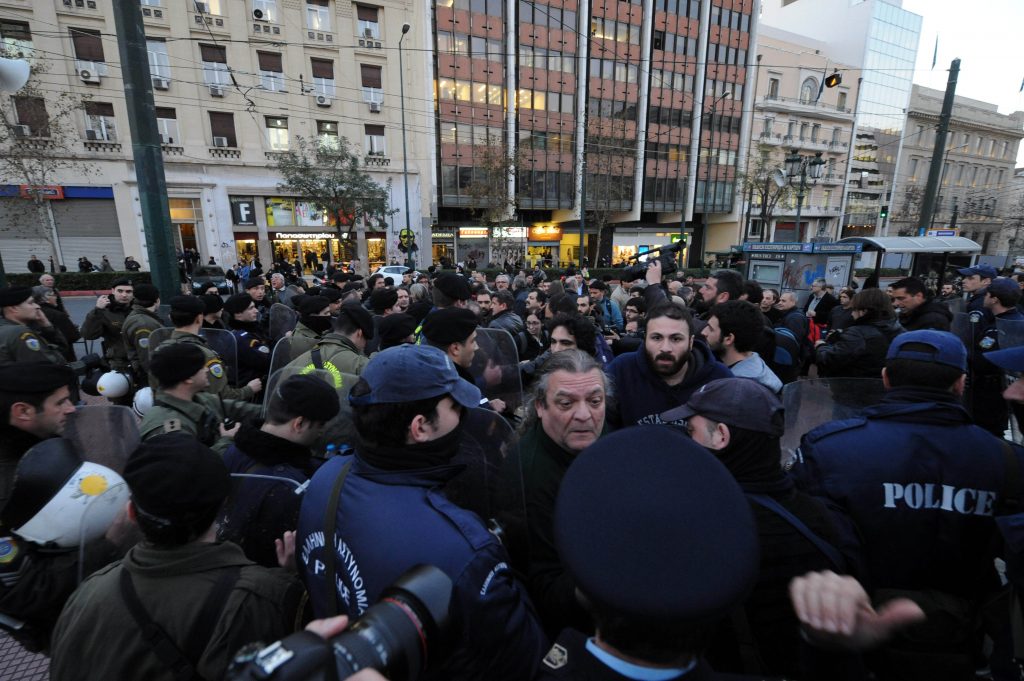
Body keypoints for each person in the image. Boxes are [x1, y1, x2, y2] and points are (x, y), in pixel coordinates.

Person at [296, 345, 546, 681]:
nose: (463, 415)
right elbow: (525, 659)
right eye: (454, 407)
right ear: (420, 427)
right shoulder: (464, 550)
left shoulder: (325, 478)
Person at [792, 330, 1024, 680]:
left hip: (856, 628)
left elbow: (809, 538)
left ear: (886, 378)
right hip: (964, 633)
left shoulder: (827, 448)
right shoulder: (1007, 459)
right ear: (960, 384)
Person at [49, 432, 304, 681]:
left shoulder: (87, 593)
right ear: (222, 505)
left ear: (132, 513)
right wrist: (291, 576)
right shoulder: (259, 598)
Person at [667, 379, 854, 677]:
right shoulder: (822, 515)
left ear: (721, 436)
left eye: (692, 432)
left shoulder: (701, 527)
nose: (688, 442)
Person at [520, 350, 608, 637]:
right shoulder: (529, 479)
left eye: (595, 401)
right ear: (540, 406)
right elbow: (543, 585)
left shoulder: (604, 439)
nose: (584, 415)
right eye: (566, 403)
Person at [219, 375, 340, 568]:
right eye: (320, 425)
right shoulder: (291, 489)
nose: (322, 432)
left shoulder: (232, 452)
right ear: (299, 424)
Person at [609, 302, 731, 425]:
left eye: (676, 339)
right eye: (656, 338)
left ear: (690, 342)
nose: (665, 348)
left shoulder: (719, 378)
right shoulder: (622, 370)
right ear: (645, 339)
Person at [140, 343, 261, 452]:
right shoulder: (168, 429)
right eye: (201, 367)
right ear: (188, 379)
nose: (207, 370)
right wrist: (227, 440)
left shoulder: (199, 398)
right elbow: (192, 466)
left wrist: (269, 413)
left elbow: (235, 408)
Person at [153, 296, 261, 401]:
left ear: (170, 318)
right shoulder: (204, 355)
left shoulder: (159, 351)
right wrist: (249, 390)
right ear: (199, 318)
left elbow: (156, 390)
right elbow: (222, 397)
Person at [969, 277, 1024, 436]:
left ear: (995, 299)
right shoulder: (1015, 320)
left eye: (987, 294)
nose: (984, 297)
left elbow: (983, 361)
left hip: (991, 393)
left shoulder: (1000, 328)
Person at [814, 288, 903, 379]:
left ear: (864, 311)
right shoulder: (899, 330)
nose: (852, 314)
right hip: (883, 383)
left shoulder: (857, 334)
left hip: (851, 383)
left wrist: (821, 346)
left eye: (854, 309)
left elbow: (829, 360)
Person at [702, 300, 782, 394]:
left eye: (710, 329)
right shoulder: (756, 367)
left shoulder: (735, 390)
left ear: (729, 339)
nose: (703, 332)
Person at [286, 303, 375, 384]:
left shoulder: (293, 365)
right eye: (366, 340)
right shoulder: (361, 365)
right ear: (359, 333)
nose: (364, 345)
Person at [80, 277, 134, 378]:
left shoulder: (138, 308)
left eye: (128, 291)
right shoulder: (105, 311)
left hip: (140, 358)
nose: (124, 295)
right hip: (118, 362)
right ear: (113, 291)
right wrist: (97, 310)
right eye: (120, 291)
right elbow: (88, 335)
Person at [0, 286, 66, 364]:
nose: (37, 306)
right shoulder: (20, 332)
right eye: (31, 303)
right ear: (14, 308)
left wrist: (46, 326)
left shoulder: (5, 328)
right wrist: (48, 326)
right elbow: (47, 364)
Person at [224, 293, 272, 387]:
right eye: (251, 308)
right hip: (255, 388)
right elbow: (267, 361)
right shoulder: (242, 338)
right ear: (238, 314)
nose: (256, 311)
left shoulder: (251, 329)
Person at [121, 283, 164, 378]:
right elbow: (147, 357)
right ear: (157, 300)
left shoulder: (140, 316)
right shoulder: (144, 324)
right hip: (149, 376)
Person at [33, 285, 78, 361]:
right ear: (44, 298)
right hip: (61, 356)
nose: (56, 297)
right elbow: (73, 337)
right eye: (53, 295)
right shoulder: (57, 315)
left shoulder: (30, 314)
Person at [287, 295, 333, 361]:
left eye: (329, 312)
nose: (329, 316)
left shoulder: (315, 329)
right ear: (312, 316)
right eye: (326, 313)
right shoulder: (304, 342)